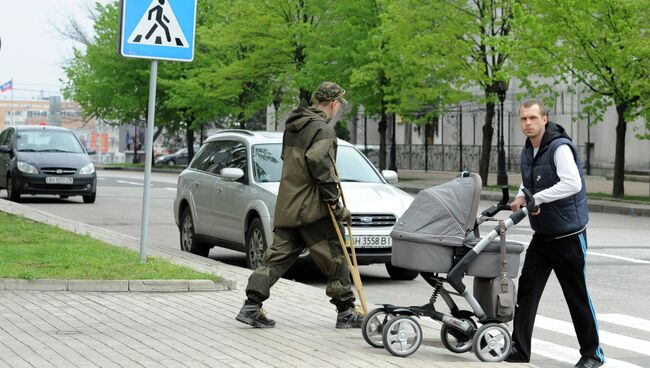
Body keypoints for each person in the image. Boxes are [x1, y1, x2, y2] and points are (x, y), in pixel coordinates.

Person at [236, 82, 363, 329]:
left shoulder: (294, 127)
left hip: (289, 203)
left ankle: (251, 305)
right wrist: (335, 204)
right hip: (313, 209)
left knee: (275, 258)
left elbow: (291, 162)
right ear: (334, 104)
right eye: (339, 105)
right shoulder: (323, 131)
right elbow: (320, 166)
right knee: (335, 257)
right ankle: (347, 311)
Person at [506, 100, 605, 368]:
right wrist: (520, 196)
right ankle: (519, 349)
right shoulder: (529, 150)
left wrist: (536, 199)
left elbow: (572, 183)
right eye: (524, 119)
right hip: (543, 235)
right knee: (527, 289)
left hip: (569, 235)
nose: (528, 123)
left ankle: (593, 354)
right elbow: (527, 181)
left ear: (545, 119)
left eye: (533, 118)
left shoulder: (559, 147)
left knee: (576, 295)